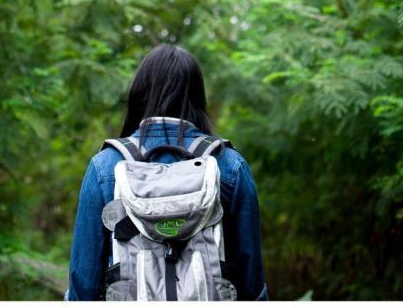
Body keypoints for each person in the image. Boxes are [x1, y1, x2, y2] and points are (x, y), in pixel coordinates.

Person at [65, 44, 269, 301]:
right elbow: (251, 284)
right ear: (197, 96)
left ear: (140, 93)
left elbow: (83, 284)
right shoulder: (229, 166)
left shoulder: (105, 167)